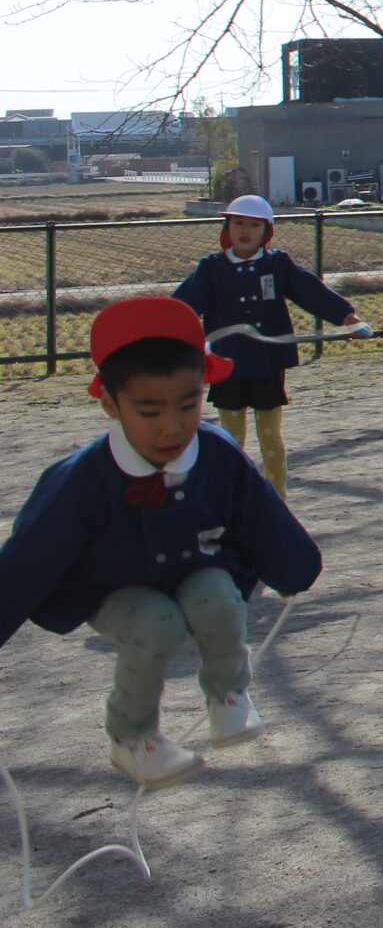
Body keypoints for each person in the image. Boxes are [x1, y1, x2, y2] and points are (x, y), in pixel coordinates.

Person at [0, 297, 320, 788]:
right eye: (149, 411)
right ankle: (133, 737)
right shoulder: (81, 481)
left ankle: (228, 693)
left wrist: (295, 568)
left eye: (189, 405)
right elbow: (28, 559)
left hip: (197, 570)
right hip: (113, 588)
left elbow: (258, 514)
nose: (172, 427)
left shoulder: (217, 454)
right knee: (157, 622)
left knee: (219, 596)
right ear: (111, 404)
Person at [170, 194, 366, 495]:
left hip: (267, 363)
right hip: (227, 364)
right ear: (227, 227)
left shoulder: (277, 264)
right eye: (238, 223)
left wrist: (347, 317)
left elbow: (309, 290)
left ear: (266, 231)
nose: (245, 230)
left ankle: (276, 497)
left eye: (254, 225)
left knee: (270, 434)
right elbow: (183, 306)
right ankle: (232, 497)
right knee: (230, 436)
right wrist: (162, 330)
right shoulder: (212, 267)